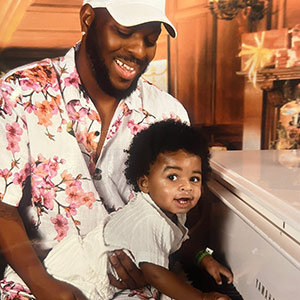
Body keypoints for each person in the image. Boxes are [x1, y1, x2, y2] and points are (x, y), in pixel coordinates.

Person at [0, 1, 230, 299]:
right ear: (87, 19)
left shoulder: (168, 114)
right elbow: (3, 207)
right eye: (124, 32)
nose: (138, 51)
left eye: (150, 40)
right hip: (36, 282)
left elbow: (184, 220)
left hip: (137, 287)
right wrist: (45, 286)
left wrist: (170, 260)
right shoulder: (18, 91)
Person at [27, 119, 233, 300]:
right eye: (172, 177)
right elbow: (155, 273)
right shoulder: (150, 220)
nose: (186, 186)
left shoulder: (170, 211)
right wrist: (202, 297)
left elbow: (176, 242)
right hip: (83, 277)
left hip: (111, 275)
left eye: (194, 179)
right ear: (144, 183)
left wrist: (205, 259)